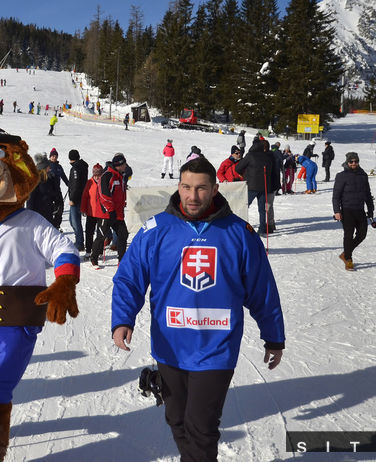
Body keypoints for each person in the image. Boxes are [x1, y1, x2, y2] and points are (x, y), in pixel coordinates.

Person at [111, 156, 285, 462]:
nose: (193, 196)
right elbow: (129, 278)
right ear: (178, 186)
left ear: (215, 188)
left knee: (201, 427)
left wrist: (274, 337)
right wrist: (123, 318)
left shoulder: (239, 233)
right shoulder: (156, 229)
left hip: (216, 349)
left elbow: (263, 290)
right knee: (176, 419)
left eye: (202, 188)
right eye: (187, 187)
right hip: (170, 347)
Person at [332, 152, 374, 271]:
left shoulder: (363, 175)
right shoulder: (341, 176)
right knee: (348, 235)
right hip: (347, 210)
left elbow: (368, 195)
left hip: (360, 209)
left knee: (362, 234)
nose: (354, 163)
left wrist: (370, 210)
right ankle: (348, 259)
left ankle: (345, 253)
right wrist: (337, 211)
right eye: (351, 162)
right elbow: (336, 196)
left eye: (356, 161)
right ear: (347, 162)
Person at [89, 153, 129, 267]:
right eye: (124, 164)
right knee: (102, 235)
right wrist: (110, 210)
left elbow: (120, 193)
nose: (126, 166)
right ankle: (94, 257)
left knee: (123, 234)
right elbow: (104, 195)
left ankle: (122, 260)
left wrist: (123, 203)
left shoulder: (120, 175)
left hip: (117, 213)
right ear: (119, 164)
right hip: (106, 213)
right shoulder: (108, 175)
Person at [235, 139, 275, 234]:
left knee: (244, 206)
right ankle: (262, 229)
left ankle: (240, 227)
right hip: (264, 186)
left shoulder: (250, 156)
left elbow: (238, 168)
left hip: (251, 186)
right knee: (262, 210)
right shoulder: (267, 157)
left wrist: (244, 174)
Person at [80, 163, 104, 259]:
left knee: (101, 233)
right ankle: (88, 251)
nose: (97, 177)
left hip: (102, 213)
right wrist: (83, 209)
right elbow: (85, 197)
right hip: (91, 212)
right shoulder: (89, 182)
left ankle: (100, 251)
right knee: (89, 232)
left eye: (99, 175)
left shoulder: (104, 182)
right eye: (96, 175)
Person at [26, 154, 57, 224]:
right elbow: (30, 199)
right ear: (43, 168)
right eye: (48, 166)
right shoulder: (35, 180)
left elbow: (52, 194)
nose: (50, 168)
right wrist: (29, 215)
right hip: (37, 215)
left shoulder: (49, 179)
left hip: (48, 213)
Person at [67, 149, 88, 251]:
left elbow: (76, 185)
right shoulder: (83, 166)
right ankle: (79, 240)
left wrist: (73, 199)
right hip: (81, 197)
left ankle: (79, 242)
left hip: (76, 199)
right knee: (72, 220)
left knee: (74, 221)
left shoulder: (76, 168)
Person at [47, 149, 69, 229]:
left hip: (57, 191)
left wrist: (69, 185)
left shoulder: (59, 167)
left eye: (56, 156)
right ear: (50, 157)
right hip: (48, 191)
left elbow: (64, 177)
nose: (54, 157)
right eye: (53, 156)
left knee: (60, 208)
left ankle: (56, 225)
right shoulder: (47, 166)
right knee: (49, 209)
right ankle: (49, 225)